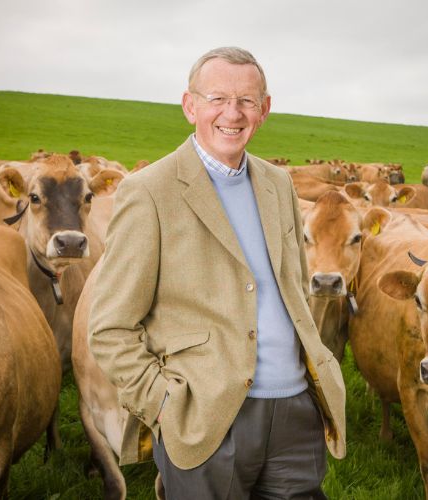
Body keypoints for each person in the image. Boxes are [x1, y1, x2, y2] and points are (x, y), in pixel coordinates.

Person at [88, 46, 346, 499]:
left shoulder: (277, 183)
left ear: (264, 110)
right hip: (205, 416)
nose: (233, 113)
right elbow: (110, 327)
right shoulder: (148, 192)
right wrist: (165, 403)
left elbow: (294, 292)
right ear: (190, 106)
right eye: (217, 99)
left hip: (294, 411)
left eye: (247, 101)